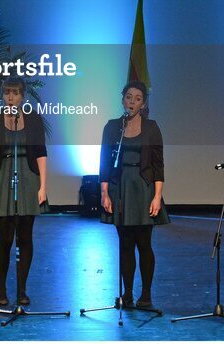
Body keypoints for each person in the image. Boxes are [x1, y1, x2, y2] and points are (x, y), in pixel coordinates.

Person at [99, 81, 168, 308]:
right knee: (125, 243)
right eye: (129, 97)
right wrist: (105, 193)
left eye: (137, 98)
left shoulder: (152, 127)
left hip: (144, 188)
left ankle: (145, 294)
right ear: (122, 99)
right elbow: (104, 162)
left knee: (144, 243)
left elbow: (158, 165)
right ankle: (126, 293)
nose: (132, 102)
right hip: (121, 188)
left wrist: (157, 196)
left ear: (143, 104)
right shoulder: (112, 127)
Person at [0, 77, 48, 306]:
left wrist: (43, 186)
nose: (10, 97)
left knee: (26, 237)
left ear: (23, 96)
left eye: (15, 93)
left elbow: (41, 153)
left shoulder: (32, 118)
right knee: (6, 238)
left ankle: (22, 288)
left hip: (28, 178)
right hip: (1, 178)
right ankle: (1, 288)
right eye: (7, 92)